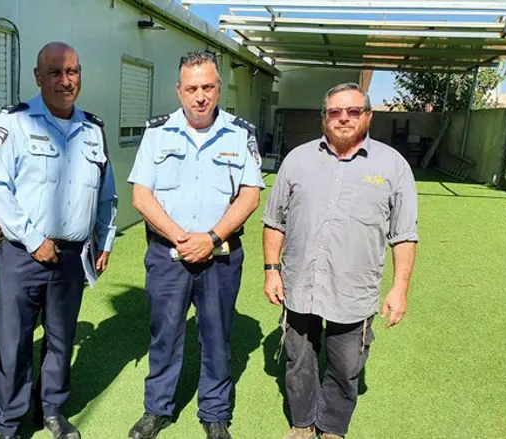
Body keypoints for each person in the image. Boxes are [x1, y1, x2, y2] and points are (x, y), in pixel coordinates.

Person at [262, 82, 418, 439]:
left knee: (346, 366)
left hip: (354, 289)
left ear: (367, 116)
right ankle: (302, 424)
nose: (343, 118)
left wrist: (400, 288)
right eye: (335, 111)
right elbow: (274, 221)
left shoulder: (392, 166)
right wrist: (272, 271)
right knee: (299, 359)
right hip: (300, 284)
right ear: (324, 117)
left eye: (353, 111)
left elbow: (404, 234)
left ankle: (331, 426)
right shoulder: (297, 160)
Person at [0, 41, 118, 439]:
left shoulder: (93, 129)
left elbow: (106, 193)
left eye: (72, 71)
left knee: (61, 340)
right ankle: (8, 423)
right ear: (38, 78)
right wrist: (33, 238)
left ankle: (52, 410)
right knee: (14, 343)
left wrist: (105, 240)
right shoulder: (15, 123)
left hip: (72, 257)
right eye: (55, 72)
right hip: (24, 255)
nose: (65, 80)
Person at [126, 50, 264, 439]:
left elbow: (250, 195)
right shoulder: (157, 133)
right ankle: (157, 409)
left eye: (207, 87)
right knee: (164, 333)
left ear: (219, 87)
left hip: (220, 255)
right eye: (192, 88)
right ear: (179, 90)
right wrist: (183, 238)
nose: (200, 96)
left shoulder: (240, 133)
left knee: (218, 335)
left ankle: (215, 414)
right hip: (169, 253)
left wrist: (212, 238)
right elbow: (142, 195)